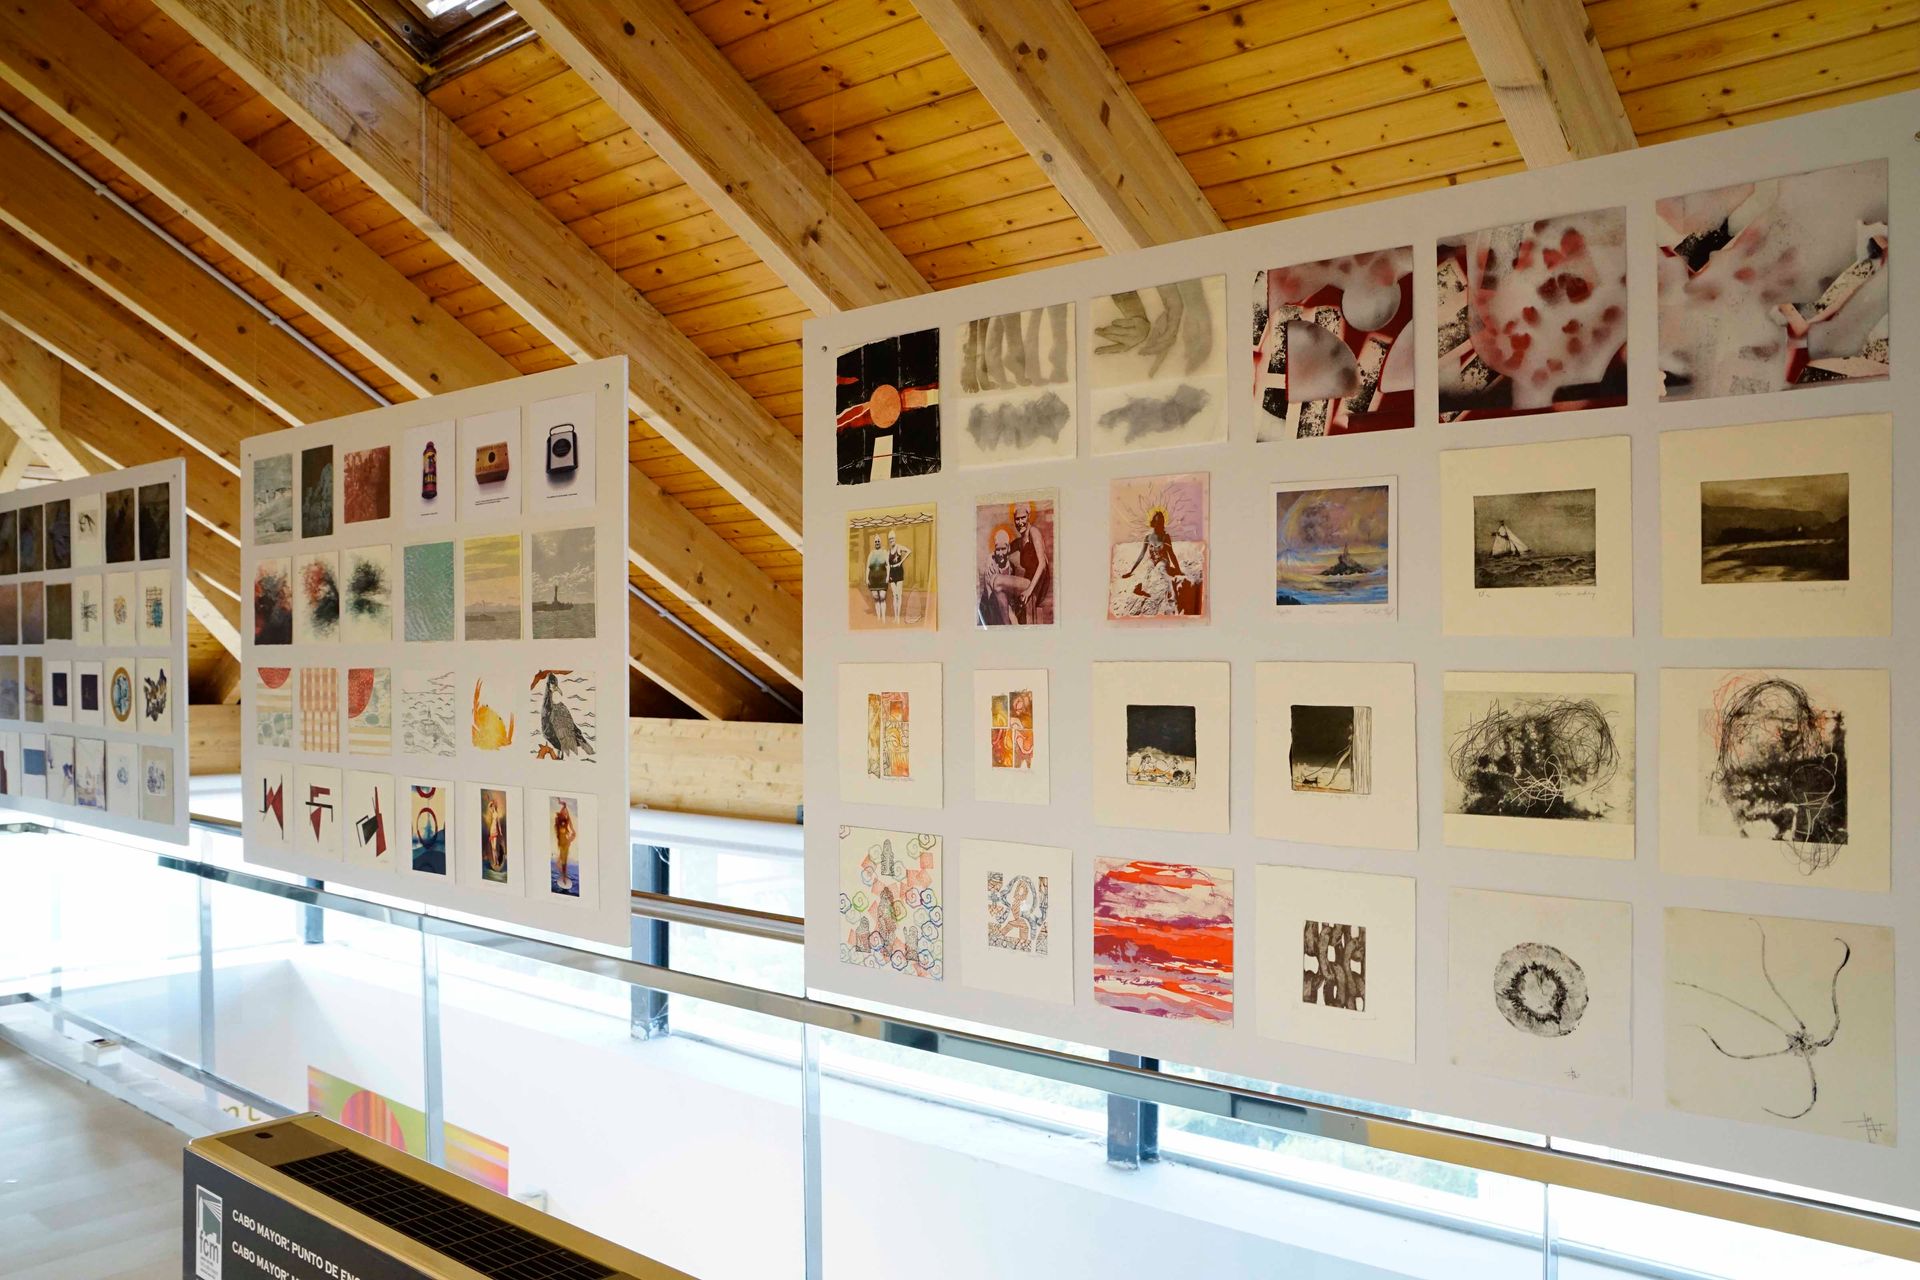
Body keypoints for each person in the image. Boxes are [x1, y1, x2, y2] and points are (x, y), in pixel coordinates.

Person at [1119, 509, 1187, 615]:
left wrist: (1178, 570)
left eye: (1161, 522)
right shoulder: (1148, 537)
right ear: (1153, 522)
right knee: (1147, 570)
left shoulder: (1166, 537)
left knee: (1161, 570)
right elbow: (1141, 555)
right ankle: (1139, 587)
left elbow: (1171, 554)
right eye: (1157, 522)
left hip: (1163, 560)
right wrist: (1131, 571)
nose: (1159, 524)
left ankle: (1173, 594)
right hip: (1151, 561)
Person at [977, 527, 1031, 625]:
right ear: (994, 550)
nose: (1000, 553)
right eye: (998, 549)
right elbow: (991, 597)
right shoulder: (991, 565)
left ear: (1008, 548)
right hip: (991, 610)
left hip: (1007, 607)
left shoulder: (1011, 567)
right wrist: (1012, 617)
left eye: (1003, 549)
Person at [1010, 502, 1049, 622]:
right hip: (1029, 581)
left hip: (1038, 583)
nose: (1020, 522)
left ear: (1028, 517)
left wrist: (1029, 590)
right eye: (1017, 519)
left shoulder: (1033, 532)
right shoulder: (1019, 541)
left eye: (1023, 518)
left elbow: (1042, 564)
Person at [886, 531, 912, 622]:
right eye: (890, 539)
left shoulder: (899, 547)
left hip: (899, 572)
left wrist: (901, 562)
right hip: (892, 572)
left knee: (899, 595)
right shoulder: (888, 552)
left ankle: (898, 617)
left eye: (892, 538)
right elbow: (888, 565)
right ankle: (896, 616)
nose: (891, 540)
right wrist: (887, 576)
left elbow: (909, 551)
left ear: (895, 538)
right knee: (895, 595)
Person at [864, 534, 888, 621]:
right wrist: (866, 578)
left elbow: (888, 566)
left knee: (882, 596)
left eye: (878, 541)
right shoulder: (871, 554)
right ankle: (878, 617)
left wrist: (888, 577)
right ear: (874, 543)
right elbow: (868, 567)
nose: (877, 542)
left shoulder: (884, 552)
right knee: (876, 598)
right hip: (873, 580)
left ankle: (883, 618)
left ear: (880, 542)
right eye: (876, 541)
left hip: (882, 579)